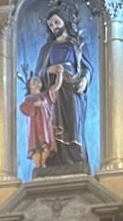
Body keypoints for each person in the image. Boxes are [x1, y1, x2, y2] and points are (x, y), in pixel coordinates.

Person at [31, 9, 91, 172]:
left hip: (71, 90)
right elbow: (39, 73)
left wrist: (84, 80)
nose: (54, 26)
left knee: (72, 123)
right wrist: (51, 70)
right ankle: (54, 161)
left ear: (65, 22)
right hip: (53, 92)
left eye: (57, 22)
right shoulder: (47, 49)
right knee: (53, 125)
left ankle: (75, 159)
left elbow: (86, 68)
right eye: (50, 24)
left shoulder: (76, 44)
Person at [19, 73, 55, 169]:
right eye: (34, 81)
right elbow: (23, 108)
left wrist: (43, 104)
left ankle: (43, 163)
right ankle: (37, 165)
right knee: (35, 145)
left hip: (45, 125)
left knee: (45, 144)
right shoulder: (28, 98)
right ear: (30, 85)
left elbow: (50, 108)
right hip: (34, 126)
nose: (36, 82)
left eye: (38, 80)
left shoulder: (45, 96)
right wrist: (34, 105)